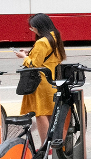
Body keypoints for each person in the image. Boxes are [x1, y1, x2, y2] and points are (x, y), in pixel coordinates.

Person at [14, 13, 65, 145]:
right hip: (51, 79)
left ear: (39, 27)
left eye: (33, 28)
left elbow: (34, 64)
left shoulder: (42, 42)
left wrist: (23, 57)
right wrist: (29, 53)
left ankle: (45, 145)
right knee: (49, 113)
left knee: (40, 114)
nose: (33, 30)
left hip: (40, 82)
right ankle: (51, 144)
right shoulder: (54, 36)